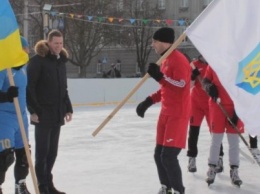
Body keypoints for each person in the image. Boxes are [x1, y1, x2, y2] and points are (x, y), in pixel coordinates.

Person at [136, 27, 190, 194]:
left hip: (177, 115)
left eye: (155, 41)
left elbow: (181, 85)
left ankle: (179, 190)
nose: (152, 45)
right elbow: (166, 88)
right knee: (158, 153)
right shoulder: (165, 60)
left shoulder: (179, 60)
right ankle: (166, 187)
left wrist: (160, 77)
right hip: (165, 113)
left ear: (164, 42)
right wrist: (149, 100)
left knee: (168, 156)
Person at [26, 30, 73, 194]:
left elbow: (63, 88)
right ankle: (42, 187)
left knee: (52, 153)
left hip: (57, 113)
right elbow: (30, 87)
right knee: (42, 153)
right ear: (48, 42)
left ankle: (49, 184)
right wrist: (33, 110)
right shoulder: (37, 61)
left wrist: (68, 108)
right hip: (42, 114)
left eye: (61, 43)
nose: (59, 46)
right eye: (56, 43)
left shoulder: (60, 62)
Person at [202, 65, 243, 187]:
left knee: (234, 141)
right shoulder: (214, 62)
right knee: (216, 140)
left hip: (234, 106)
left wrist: (238, 112)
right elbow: (205, 81)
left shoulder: (238, 64)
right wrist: (209, 87)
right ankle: (212, 168)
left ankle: (234, 170)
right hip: (217, 106)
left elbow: (244, 88)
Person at [0, 36, 31, 194]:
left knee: (24, 154)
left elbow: (27, 92)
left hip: (22, 117)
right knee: (4, 157)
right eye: (25, 48)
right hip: (4, 118)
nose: (28, 51)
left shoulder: (23, 68)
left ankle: (20, 186)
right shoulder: (3, 68)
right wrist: (6, 96)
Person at [187, 55, 224, 173]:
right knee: (193, 131)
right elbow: (189, 86)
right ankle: (192, 158)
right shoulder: (193, 64)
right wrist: (192, 77)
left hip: (210, 103)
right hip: (195, 104)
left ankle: (219, 157)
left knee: (215, 132)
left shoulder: (214, 64)